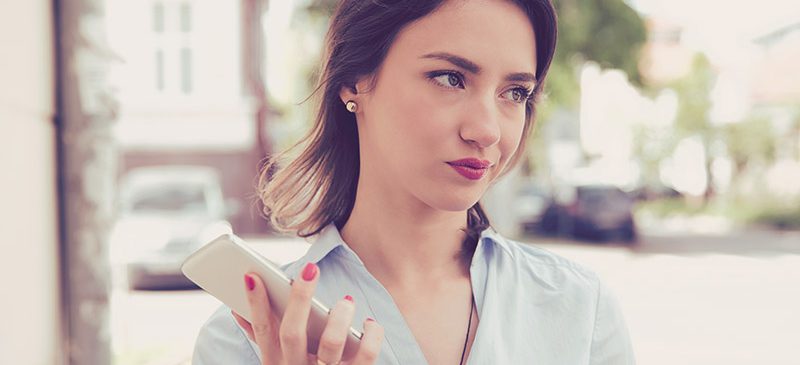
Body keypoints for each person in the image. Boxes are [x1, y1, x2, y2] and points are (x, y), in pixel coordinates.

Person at [192, 0, 635, 364]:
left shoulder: (580, 310)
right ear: (353, 81)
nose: (487, 130)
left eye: (514, 93)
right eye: (450, 78)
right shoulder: (245, 338)